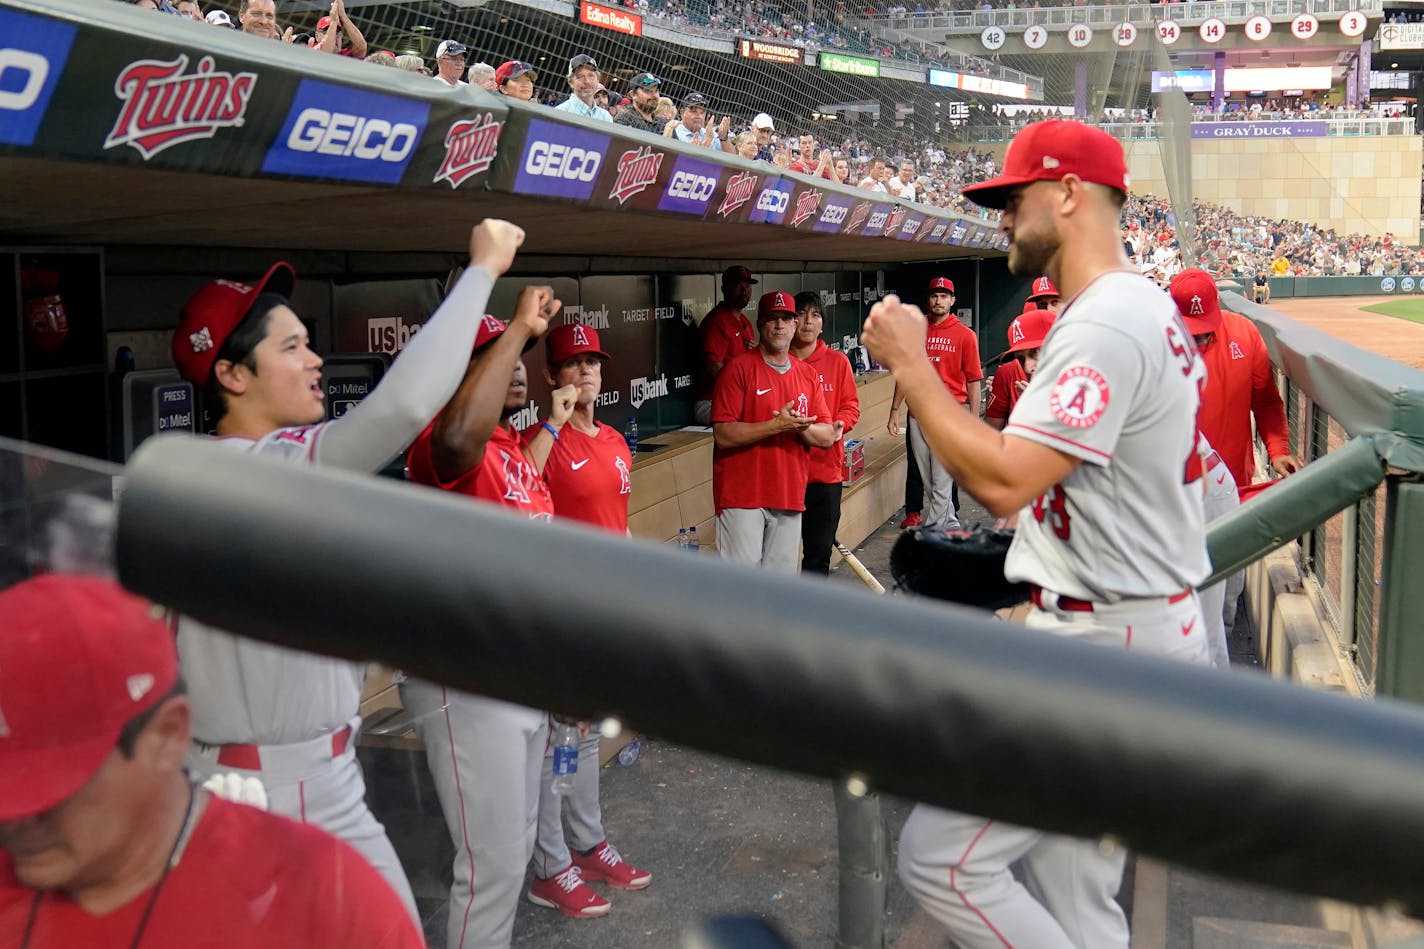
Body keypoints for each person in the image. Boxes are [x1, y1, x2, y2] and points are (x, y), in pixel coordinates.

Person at [864, 119, 1211, 949]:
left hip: (1111, 639)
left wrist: (913, 367)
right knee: (1078, 894)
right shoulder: (1127, 307)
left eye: (1014, 199)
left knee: (943, 858)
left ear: (1068, 194)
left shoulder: (1107, 323)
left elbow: (1007, 477)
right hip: (1119, 615)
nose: (1003, 219)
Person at [167, 218, 525, 926]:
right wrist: (482, 269)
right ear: (231, 376)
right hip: (260, 786)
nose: (315, 361)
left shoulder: (262, 470)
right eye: (291, 347)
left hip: (318, 774)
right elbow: (402, 407)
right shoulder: (227, 470)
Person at [0, 575, 424, 948]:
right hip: (227, 767)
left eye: (52, 785)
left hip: (328, 775)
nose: (16, 818)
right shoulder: (202, 518)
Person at [400, 288, 568, 949]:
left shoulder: (508, 449)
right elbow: (454, 441)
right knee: (490, 866)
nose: (516, 362)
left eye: (520, 352)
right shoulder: (440, 444)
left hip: (519, 663)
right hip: (465, 672)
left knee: (513, 849)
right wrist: (519, 324)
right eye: (493, 355)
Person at [523, 323, 652, 917]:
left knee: (582, 736)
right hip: (559, 611)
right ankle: (550, 866)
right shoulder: (541, 440)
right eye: (572, 364)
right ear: (552, 376)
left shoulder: (616, 441)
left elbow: (617, 527)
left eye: (593, 363)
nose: (586, 373)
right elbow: (521, 484)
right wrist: (553, 419)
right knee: (557, 740)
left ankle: (588, 841)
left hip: (604, 610)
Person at [1170, 267, 1300, 654]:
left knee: (1228, 594)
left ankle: (1218, 658)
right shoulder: (1155, 344)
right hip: (1175, 492)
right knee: (1185, 600)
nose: (1200, 336)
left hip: (1233, 487)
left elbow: (1266, 402)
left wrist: (1278, 450)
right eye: (1190, 329)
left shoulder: (1244, 333)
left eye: (1204, 326)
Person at [711, 291, 835, 572]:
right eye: (772, 319)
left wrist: (800, 427)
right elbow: (723, 434)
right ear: (760, 324)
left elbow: (827, 436)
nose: (779, 325)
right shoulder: (737, 369)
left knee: (779, 590)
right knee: (741, 589)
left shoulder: (806, 374)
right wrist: (776, 426)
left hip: (788, 493)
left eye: (786, 319)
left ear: (794, 325)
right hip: (742, 496)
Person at [886, 277, 981, 531]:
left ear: (952, 300)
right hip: (917, 414)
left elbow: (973, 380)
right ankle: (949, 523)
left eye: (943, 295)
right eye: (934, 295)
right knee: (929, 480)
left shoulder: (965, 335)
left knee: (942, 479)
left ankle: (934, 532)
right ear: (929, 300)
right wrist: (895, 410)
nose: (938, 300)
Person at [790, 292, 860, 575]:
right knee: (777, 558)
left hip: (825, 474)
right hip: (785, 473)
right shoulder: (777, 361)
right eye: (802, 314)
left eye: (815, 315)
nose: (808, 321)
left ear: (822, 325)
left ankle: (810, 616)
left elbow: (851, 406)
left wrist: (842, 424)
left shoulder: (837, 361)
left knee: (818, 557)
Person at [694, 266, 759, 425]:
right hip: (711, 402)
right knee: (758, 414)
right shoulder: (717, 322)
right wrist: (744, 393)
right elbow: (714, 367)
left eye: (747, 285)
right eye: (738, 285)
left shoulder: (744, 322)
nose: (744, 290)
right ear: (724, 289)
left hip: (735, 399)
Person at [984, 301, 1053, 431]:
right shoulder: (1007, 373)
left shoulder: (1085, 374)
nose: (1028, 367)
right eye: (1020, 359)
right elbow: (989, 436)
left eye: (1035, 354)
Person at [667, 93, 733, 154]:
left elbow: (733, 158)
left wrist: (724, 138)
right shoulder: (674, 131)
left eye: (702, 112)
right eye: (693, 111)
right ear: (682, 113)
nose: (699, 116)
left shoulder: (710, 134)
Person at [555, 54, 612, 121]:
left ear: (598, 80)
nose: (587, 81)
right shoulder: (560, 113)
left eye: (591, 76)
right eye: (580, 77)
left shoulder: (606, 117)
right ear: (571, 82)